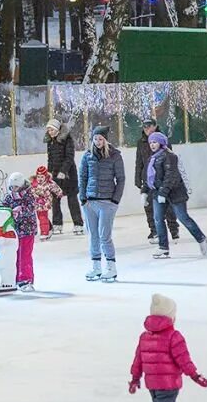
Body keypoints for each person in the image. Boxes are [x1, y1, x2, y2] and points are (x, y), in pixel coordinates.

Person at [128, 294, 207, 402]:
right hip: (169, 385)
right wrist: (195, 375)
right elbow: (184, 360)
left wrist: (135, 378)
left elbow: (138, 360)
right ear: (171, 317)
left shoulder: (145, 337)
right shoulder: (174, 336)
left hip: (152, 385)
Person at [142, 132, 207, 260]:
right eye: (150, 143)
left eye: (155, 142)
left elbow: (171, 176)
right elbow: (148, 177)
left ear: (161, 143)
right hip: (158, 193)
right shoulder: (152, 158)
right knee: (158, 219)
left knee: (183, 217)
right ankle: (163, 248)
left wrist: (163, 192)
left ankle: (201, 238)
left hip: (175, 193)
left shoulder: (170, 156)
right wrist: (144, 192)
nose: (152, 145)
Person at [78, 126, 125, 282]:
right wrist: (83, 198)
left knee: (105, 236)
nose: (97, 142)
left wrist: (115, 200)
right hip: (90, 202)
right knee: (94, 236)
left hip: (107, 202)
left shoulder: (114, 155)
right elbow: (82, 177)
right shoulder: (87, 156)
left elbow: (121, 178)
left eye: (100, 139)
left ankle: (111, 266)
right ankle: (96, 266)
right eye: (95, 139)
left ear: (105, 140)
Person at [134, 119, 179, 243]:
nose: (147, 129)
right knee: (148, 206)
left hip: (162, 179)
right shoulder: (141, 142)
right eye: (145, 127)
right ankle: (154, 231)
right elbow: (139, 161)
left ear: (155, 126)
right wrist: (138, 178)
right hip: (148, 179)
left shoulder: (163, 140)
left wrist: (169, 182)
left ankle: (173, 229)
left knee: (167, 206)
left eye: (149, 126)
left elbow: (170, 160)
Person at [0, 172, 37, 291]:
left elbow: (30, 209)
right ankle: (13, 278)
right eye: (12, 187)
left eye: (16, 187)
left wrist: (19, 211)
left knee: (24, 255)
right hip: (13, 232)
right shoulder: (9, 196)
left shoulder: (29, 195)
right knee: (12, 255)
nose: (14, 189)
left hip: (27, 231)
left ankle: (26, 280)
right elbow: (2, 207)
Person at [44, 119, 84, 235]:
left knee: (72, 199)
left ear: (57, 129)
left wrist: (63, 171)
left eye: (51, 129)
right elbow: (50, 158)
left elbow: (69, 157)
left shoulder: (67, 139)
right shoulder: (50, 142)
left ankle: (78, 224)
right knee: (55, 200)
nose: (49, 132)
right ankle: (57, 224)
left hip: (69, 175)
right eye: (48, 130)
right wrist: (49, 172)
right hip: (55, 175)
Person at [30, 167, 63, 241]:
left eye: (42, 177)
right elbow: (29, 191)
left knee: (42, 217)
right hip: (36, 204)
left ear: (45, 176)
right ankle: (50, 228)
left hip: (45, 203)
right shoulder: (33, 183)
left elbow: (56, 188)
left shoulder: (49, 183)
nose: (40, 179)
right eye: (38, 177)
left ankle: (44, 233)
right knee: (41, 217)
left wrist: (59, 193)